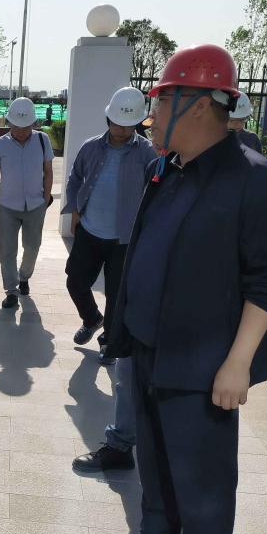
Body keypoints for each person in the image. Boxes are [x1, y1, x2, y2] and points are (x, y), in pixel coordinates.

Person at [96, 45, 267, 534]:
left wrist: (238, 363)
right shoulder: (167, 169)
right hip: (150, 348)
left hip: (205, 365)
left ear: (199, 105)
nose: (150, 116)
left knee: (203, 483)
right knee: (155, 464)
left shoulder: (256, 183)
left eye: (160, 102)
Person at [64, 87, 157, 364]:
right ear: (108, 118)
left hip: (124, 239)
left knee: (116, 295)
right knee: (75, 282)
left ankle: (109, 342)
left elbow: (155, 190)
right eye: (117, 122)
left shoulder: (147, 152)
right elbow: (74, 178)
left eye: (129, 124)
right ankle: (91, 318)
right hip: (90, 231)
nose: (122, 129)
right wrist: (75, 209)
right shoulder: (91, 147)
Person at [0, 97, 53, 309]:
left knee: (32, 247)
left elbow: (48, 171)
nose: (22, 131)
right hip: (7, 207)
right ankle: (11, 291)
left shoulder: (42, 140)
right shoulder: (0, 144)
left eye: (26, 126)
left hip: (35, 205)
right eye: (17, 126)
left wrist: (45, 200)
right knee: (7, 251)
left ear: (33, 123)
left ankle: (24, 276)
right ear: (9, 122)